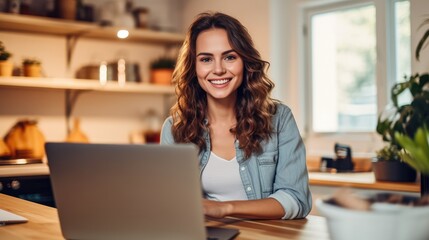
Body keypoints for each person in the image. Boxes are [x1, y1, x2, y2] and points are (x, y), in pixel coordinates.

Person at [160, 11, 311, 220]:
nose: (219, 69)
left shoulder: (279, 119)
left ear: (245, 62)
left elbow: (297, 199)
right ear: (194, 67)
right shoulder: (174, 129)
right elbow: (172, 203)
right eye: (206, 59)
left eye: (229, 57)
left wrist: (225, 208)